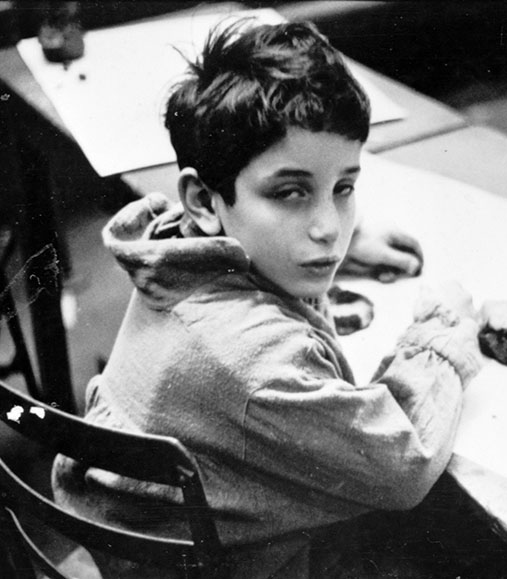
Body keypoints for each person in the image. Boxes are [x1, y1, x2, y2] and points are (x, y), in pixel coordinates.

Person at [52, 17, 483, 579]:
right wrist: (444, 326)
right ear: (204, 200)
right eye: (291, 193)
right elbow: (406, 466)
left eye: (343, 188)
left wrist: (340, 253)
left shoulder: (169, 255)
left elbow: (252, 242)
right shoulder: (261, 362)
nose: (329, 227)